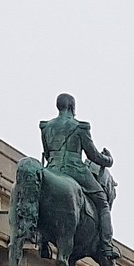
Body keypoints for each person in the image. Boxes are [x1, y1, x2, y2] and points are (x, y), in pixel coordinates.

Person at [40, 93, 115, 251]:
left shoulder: (46, 127)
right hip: (75, 170)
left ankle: (41, 239)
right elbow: (93, 155)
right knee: (103, 203)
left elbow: (47, 153)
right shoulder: (80, 127)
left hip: (52, 169)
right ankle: (107, 245)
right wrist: (108, 160)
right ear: (72, 107)